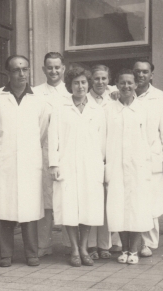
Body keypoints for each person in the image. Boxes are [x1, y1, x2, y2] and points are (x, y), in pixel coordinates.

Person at [0, 55, 50, 267]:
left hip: (29, 161)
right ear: (8, 73)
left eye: (25, 69)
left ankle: (31, 253)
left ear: (30, 71)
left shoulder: (39, 99)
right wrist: (6, 149)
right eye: (16, 70)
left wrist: (26, 149)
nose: (21, 74)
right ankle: (5, 255)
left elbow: (41, 131)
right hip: (5, 161)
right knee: (5, 208)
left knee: (29, 208)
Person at [48, 67, 106, 267]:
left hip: (91, 165)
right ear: (69, 86)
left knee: (89, 207)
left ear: (88, 84)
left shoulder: (98, 110)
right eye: (76, 83)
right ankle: (73, 248)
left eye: (83, 82)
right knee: (69, 207)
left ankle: (84, 248)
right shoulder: (60, 107)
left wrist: (102, 166)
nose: (80, 86)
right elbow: (53, 137)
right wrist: (54, 163)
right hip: (67, 164)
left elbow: (103, 141)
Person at [105, 68, 154, 264]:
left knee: (137, 208)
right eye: (122, 82)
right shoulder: (108, 109)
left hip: (137, 167)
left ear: (135, 85)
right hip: (116, 165)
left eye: (130, 83)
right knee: (118, 208)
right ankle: (123, 249)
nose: (126, 86)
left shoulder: (143, 109)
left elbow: (149, 139)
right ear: (116, 85)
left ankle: (133, 250)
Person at [132, 60, 163, 257]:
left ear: (151, 75)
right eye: (137, 72)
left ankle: (147, 243)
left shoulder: (160, 98)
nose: (140, 75)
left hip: (151, 157)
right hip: (128, 157)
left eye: (145, 72)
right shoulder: (122, 93)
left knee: (149, 201)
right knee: (130, 199)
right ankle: (127, 242)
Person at [33, 52, 70, 258]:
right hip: (43, 152)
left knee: (67, 199)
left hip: (68, 152)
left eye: (57, 67)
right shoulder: (35, 93)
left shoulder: (72, 90)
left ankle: (69, 244)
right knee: (45, 201)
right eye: (50, 67)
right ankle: (43, 245)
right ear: (43, 69)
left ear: (63, 68)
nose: (54, 71)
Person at [87, 64, 121, 260]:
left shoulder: (114, 98)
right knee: (92, 202)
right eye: (96, 78)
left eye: (104, 78)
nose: (100, 82)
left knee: (108, 203)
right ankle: (91, 245)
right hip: (91, 158)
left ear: (109, 80)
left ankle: (105, 244)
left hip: (110, 157)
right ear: (91, 80)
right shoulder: (84, 98)